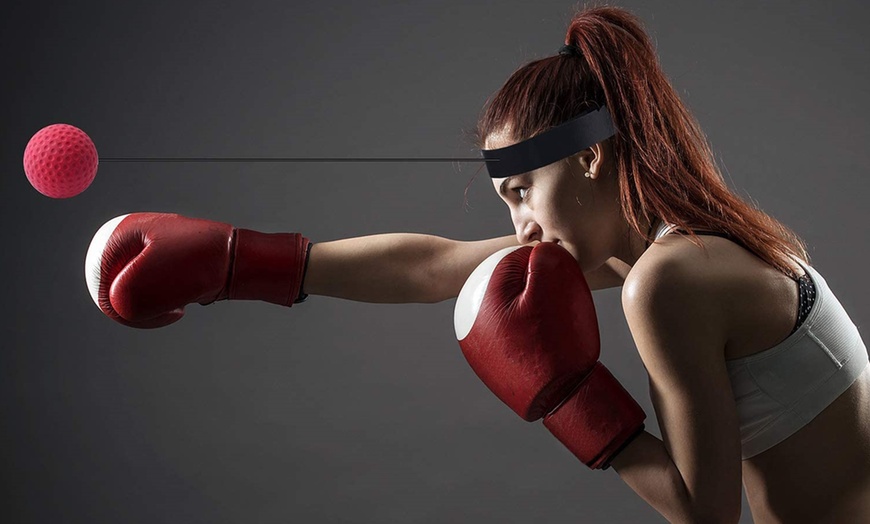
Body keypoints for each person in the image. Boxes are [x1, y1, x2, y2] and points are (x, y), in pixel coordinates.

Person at [83, 5, 870, 523]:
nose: (520, 228)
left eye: (524, 190)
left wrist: (570, 400)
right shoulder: (680, 238)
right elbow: (439, 266)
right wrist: (237, 264)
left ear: (591, 158)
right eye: (507, 201)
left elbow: (707, 514)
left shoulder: (667, 281)